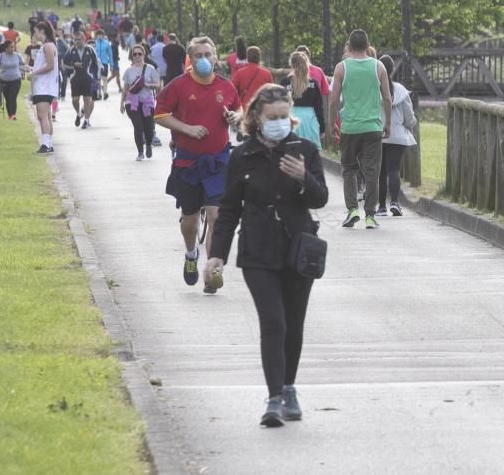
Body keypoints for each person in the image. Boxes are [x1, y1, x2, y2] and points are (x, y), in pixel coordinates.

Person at [206, 84, 328, 426]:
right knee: (273, 322)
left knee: (293, 325)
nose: (278, 122)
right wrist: (217, 255)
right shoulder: (242, 156)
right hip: (258, 251)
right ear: (256, 117)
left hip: (298, 249)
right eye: (271, 117)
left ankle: (289, 387)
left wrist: (304, 177)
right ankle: (274, 397)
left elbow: (320, 199)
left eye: (283, 117)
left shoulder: (304, 150)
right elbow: (229, 209)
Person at [154, 36, 241, 293]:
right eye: (198, 56)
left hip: (218, 160)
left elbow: (240, 109)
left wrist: (236, 116)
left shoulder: (226, 86)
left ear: (216, 58)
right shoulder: (178, 86)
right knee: (189, 220)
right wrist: (187, 129)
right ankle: (191, 254)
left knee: (216, 216)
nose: (204, 60)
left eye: (208, 55)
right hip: (188, 161)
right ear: (189, 60)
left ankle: (212, 272)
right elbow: (159, 114)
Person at [329, 29, 391, 230]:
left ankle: (353, 210)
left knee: (349, 169)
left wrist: (333, 125)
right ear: (367, 45)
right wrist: (387, 122)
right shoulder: (378, 67)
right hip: (372, 126)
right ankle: (371, 215)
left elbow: (333, 100)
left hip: (350, 126)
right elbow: (387, 98)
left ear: (349, 45)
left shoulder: (341, 68)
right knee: (372, 171)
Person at [376, 55, 417, 217]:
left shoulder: (375, 89)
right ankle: (395, 202)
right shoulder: (401, 91)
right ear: (393, 69)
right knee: (394, 170)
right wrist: (411, 124)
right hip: (398, 135)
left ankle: (381, 207)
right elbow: (409, 117)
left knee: (381, 172)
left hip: (379, 133)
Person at [120, 46, 160, 160]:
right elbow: (125, 88)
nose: (137, 56)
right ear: (132, 56)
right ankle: (140, 152)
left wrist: (147, 85)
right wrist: (121, 103)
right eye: (134, 54)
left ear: (144, 54)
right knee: (138, 126)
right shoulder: (129, 71)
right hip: (132, 102)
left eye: (139, 54)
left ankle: (148, 145)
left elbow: (157, 85)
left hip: (147, 102)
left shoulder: (150, 68)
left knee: (149, 127)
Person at [280, 51, 324, 149]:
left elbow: (280, 104)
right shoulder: (314, 84)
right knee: (310, 153)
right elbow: (319, 108)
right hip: (309, 121)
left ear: (291, 64)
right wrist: (322, 128)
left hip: (291, 119)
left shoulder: (285, 82)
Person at [29, 21, 59, 154]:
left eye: (36, 31)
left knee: (42, 116)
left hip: (44, 86)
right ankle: (49, 143)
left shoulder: (47, 46)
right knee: (46, 115)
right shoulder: (49, 45)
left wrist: (34, 73)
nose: (35, 34)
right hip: (45, 86)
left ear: (42, 31)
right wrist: (31, 69)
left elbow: (50, 65)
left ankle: (45, 144)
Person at [63, 29, 99, 130]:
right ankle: (78, 114)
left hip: (87, 78)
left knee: (87, 99)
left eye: (79, 39)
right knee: (75, 100)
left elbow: (96, 64)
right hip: (75, 78)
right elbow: (64, 64)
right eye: (75, 40)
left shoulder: (90, 49)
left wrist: (96, 78)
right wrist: (73, 65)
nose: (76, 42)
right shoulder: (71, 50)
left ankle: (86, 120)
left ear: (84, 39)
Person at [0, 40, 26, 120]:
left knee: (12, 97)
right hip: (4, 80)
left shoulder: (17, 55)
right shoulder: (1, 56)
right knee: (7, 98)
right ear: (6, 48)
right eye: (10, 47)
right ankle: (10, 115)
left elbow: (22, 64)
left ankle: (13, 115)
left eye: (13, 47)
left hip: (16, 79)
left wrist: (23, 71)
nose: (12, 49)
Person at [232, 46, 273, 111]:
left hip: (245, 108)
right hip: (261, 108)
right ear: (259, 58)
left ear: (247, 58)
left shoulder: (239, 73)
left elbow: (232, 89)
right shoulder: (267, 73)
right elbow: (271, 93)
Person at [93, 29, 114, 100]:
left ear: (103, 35)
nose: (99, 36)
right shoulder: (94, 43)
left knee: (104, 78)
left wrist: (111, 65)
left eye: (101, 35)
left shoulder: (107, 43)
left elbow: (110, 54)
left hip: (104, 62)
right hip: (96, 63)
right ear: (96, 36)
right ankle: (99, 93)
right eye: (98, 35)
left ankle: (105, 92)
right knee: (98, 79)